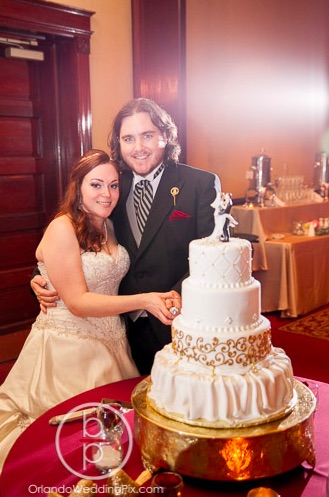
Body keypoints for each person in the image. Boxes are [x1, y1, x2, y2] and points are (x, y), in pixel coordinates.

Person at [0, 149, 180, 472]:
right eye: (96, 185)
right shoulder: (62, 228)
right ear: (78, 186)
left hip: (112, 343)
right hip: (68, 349)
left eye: (113, 186)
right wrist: (145, 300)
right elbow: (79, 302)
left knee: (116, 436)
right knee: (68, 444)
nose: (106, 194)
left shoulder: (109, 225)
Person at [32, 98, 221, 374]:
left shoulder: (199, 184)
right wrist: (40, 279)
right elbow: (72, 238)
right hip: (124, 330)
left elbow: (213, 256)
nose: (138, 147)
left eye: (147, 135)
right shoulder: (110, 185)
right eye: (128, 138)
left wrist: (174, 300)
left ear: (165, 136)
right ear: (119, 143)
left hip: (180, 324)